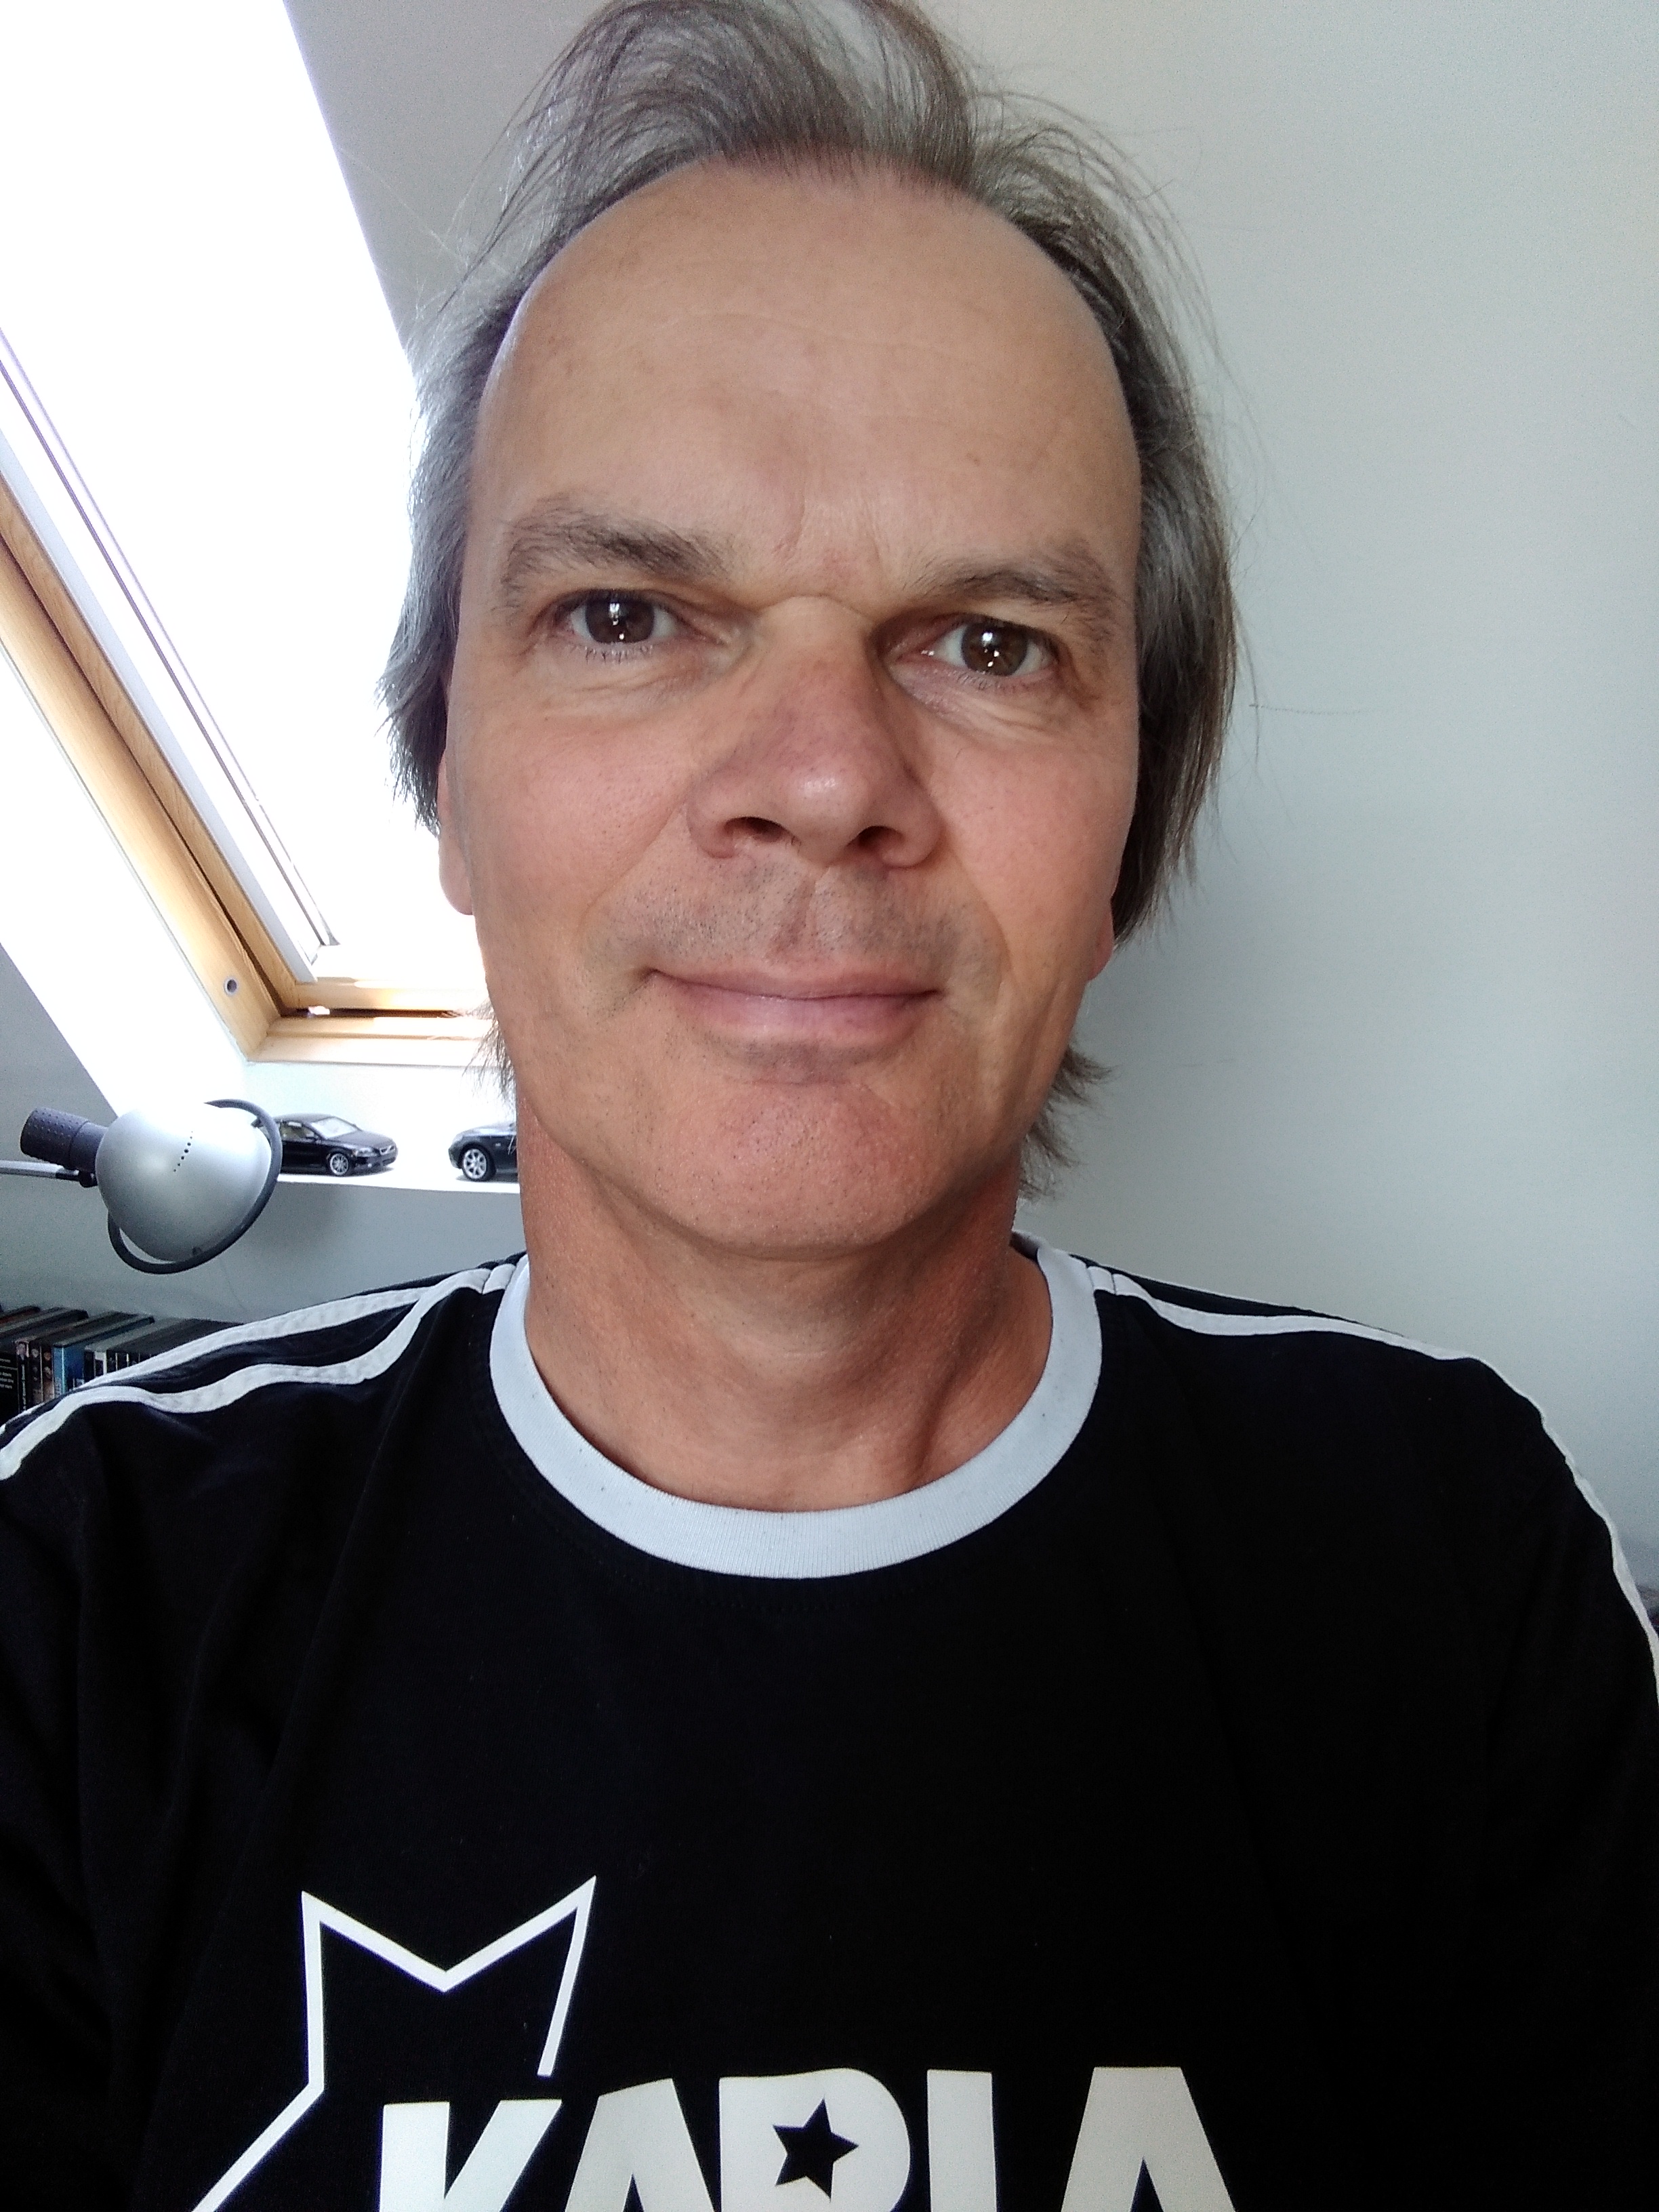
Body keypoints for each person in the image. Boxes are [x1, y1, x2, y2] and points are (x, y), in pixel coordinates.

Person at [1, 1, 1655, 2206]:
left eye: (987, 644)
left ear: (1128, 825)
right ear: (448, 781)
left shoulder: (1444, 1565)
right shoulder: (79, 1596)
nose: (821, 779)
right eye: (627, 613)